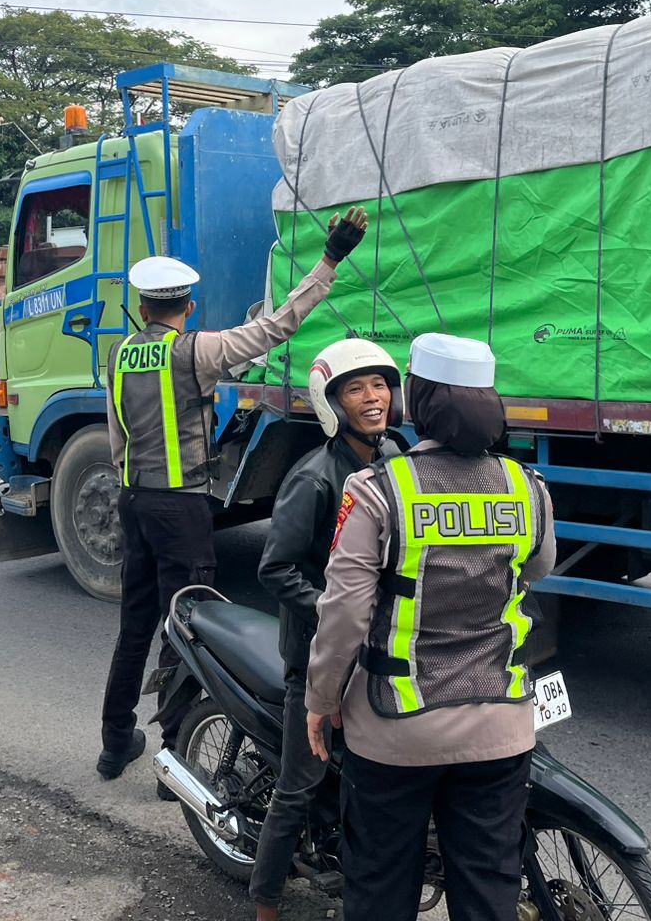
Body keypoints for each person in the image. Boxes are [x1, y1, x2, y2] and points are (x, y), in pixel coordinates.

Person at [97, 206, 370, 783]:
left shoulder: (120, 355)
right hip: (181, 508)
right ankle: (175, 757)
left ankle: (115, 741)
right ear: (187, 306)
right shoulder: (197, 351)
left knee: (136, 625)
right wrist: (330, 260)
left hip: (134, 501)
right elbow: (277, 327)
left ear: (143, 308)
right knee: (188, 623)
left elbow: (117, 435)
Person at [305, 333, 557, 921]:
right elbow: (536, 568)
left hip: (396, 733)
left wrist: (321, 699)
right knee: (490, 886)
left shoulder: (378, 492)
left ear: (413, 402)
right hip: (500, 728)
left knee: (381, 884)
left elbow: (343, 612)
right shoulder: (528, 488)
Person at [249, 338, 404, 920]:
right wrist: (337, 609)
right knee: (298, 787)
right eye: (356, 389)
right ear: (332, 403)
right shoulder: (313, 477)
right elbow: (275, 567)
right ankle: (264, 903)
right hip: (316, 656)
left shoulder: (394, 456)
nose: (373, 398)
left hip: (376, 651)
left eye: (380, 385)